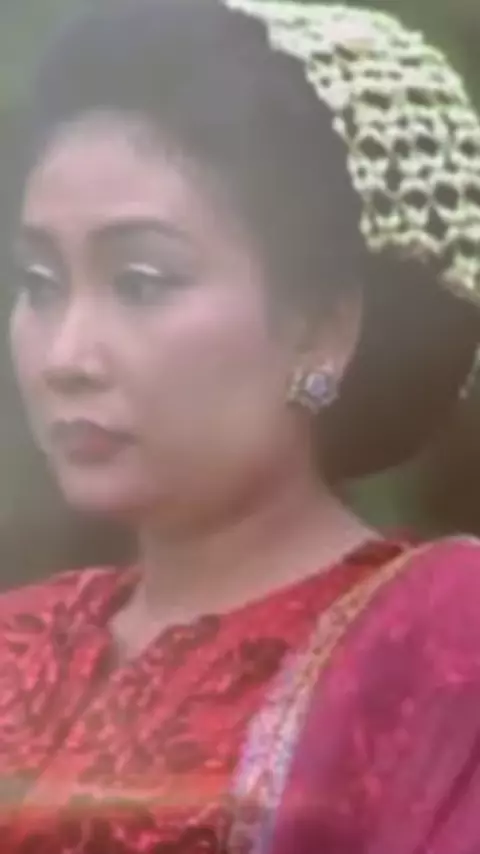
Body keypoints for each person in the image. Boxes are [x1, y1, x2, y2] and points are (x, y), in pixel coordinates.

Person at [2, 0, 480, 850]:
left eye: (141, 281)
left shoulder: (442, 641)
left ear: (321, 328)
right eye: (40, 283)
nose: (65, 355)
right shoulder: (17, 632)